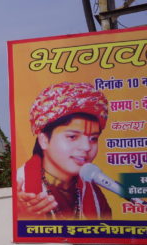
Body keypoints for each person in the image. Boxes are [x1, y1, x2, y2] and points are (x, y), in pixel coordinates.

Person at [16, 81, 112, 219]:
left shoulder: (94, 194)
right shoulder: (23, 191)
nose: (86, 147)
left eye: (93, 139)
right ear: (44, 140)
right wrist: (23, 219)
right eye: (72, 137)